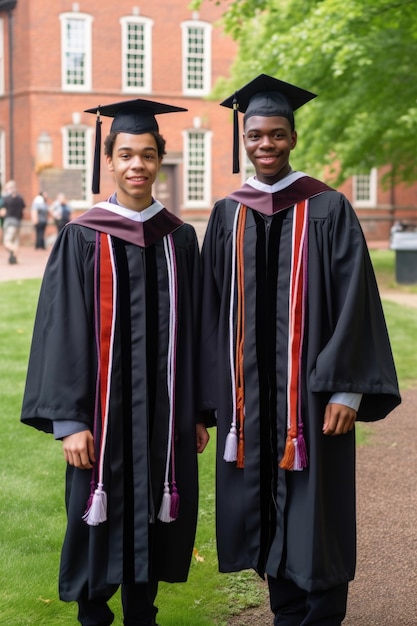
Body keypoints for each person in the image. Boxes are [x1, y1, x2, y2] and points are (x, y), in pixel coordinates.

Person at [199, 74, 401, 625]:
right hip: (252, 404)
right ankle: (286, 612)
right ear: (244, 138)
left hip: (313, 400)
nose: (266, 145)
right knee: (264, 507)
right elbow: (210, 311)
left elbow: (356, 302)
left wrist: (349, 390)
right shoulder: (227, 214)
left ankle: (323, 613)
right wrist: (207, 403)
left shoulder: (329, 208)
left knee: (319, 512)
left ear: (293, 137)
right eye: (256, 135)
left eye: (277, 134)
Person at [21, 98, 210, 626]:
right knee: (95, 520)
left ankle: (142, 614)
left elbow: (197, 331)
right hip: (99, 424)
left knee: (153, 513)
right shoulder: (83, 235)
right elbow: (61, 334)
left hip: (162, 419)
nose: (137, 165)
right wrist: (70, 421)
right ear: (109, 159)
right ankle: (92, 614)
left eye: (148, 155)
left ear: (159, 161)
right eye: (126, 154)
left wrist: (196, 410)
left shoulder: (178, 238)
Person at [2, 179, 26, 264]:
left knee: (7, 242)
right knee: (15, 241)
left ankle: (15, 251)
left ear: (10, 188)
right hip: (18, 222)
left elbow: (3, 212)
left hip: (10, 222)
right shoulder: (20, 198)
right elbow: (23, 208)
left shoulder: (6, 198)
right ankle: (13, 259)